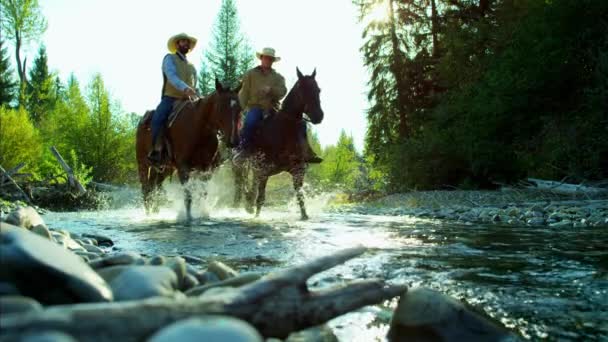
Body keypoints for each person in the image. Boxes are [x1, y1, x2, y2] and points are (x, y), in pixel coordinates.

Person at [235, 47, 322, 163]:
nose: (268, 61)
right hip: (255, 107)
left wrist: (271, 90)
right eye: (266, 58)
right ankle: (243, 150)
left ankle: (306, 151)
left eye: (270, 59)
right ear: (261, 58)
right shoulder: (251, 74)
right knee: (251, 121)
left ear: (272, 61)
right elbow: (244, 92)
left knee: (300, 123)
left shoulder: (278, 77)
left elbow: (283, 91)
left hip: (273, 108)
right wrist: (240, 108)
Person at [148, 33, 198, 165]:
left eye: (187, 42)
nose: (186, 44)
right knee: (158, 118)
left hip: (188, 101)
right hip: (171, 98)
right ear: (177, 45)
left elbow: (195, 85)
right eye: (183, 42)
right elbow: (171, 76)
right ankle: (156, 151)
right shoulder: (169, 59)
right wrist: (185, 88)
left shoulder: (192, 66)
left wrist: (196, 94)